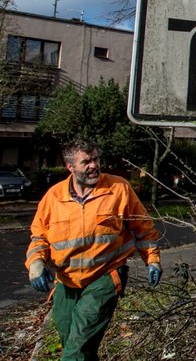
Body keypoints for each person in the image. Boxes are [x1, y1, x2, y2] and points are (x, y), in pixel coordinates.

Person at [26, 139, 162, 361]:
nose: (94, 165)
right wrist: (36, 265)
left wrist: (153, 260)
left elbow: (144, 228)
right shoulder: (54, 197)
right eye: (86, 161)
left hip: (105, 276)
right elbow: (39, 236)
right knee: (72, 340)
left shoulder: (118, 189)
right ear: (70, 166)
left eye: (96, 159)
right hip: (66, 281)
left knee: (76, 350)